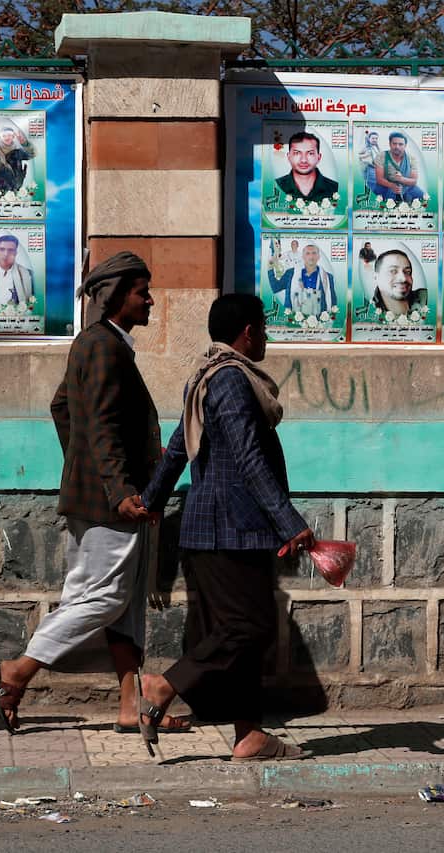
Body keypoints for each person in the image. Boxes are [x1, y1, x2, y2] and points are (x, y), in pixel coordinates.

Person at [0, 252, 190, 738]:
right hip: (111, 504)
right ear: (118, 296)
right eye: (142, 292)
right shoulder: (104, 347)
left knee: (122, 603)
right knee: (103, 598)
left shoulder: (99, 343)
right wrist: (117, 485)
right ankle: (17, 672)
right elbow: (99, 423)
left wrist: (83, 466)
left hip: (97, 494)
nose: (150, 300)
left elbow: (63, 408)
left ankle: (130, 705)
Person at [136, 293, 315, 762]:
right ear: (249, 332)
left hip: (216, 528)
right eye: (264, 328)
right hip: (230, 528)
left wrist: (152, 499)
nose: (267, 336)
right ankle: (163, 685)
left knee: (246, 634)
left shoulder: (205, 377)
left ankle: (249, 735)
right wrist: (289, 522)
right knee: (247, 628)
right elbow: (248, 459)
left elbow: (179, 446)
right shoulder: (233, 379)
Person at [267, 243, 336, 317]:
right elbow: (275, 287)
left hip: (320, 325)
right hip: (294, 322)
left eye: (314, 253)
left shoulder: (328, 277)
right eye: (308, 253)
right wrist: (270, 267)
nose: (311, 256)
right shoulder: (291, 273)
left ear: (318, 257)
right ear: (303, 256)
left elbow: (333, 303)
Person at [274, 131, 338, 206]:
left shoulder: (335, 189)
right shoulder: (276, 186)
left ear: (319, 157)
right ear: (289, 156)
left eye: (310, 153)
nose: (303, 160)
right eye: (297, 153)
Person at [0, 234, 33, 308]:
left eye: (10, 250)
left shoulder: (28, 274)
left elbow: (34, 302)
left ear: (15, 253)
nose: (6, 254)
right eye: (2, 249)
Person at [370, 248, 427, 317]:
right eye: (393, 271)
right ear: (376, 277)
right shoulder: (369, 315)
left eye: (407, 272)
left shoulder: (428, 298)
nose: (403, 279)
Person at [374, 132, 425, 203]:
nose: (397, 147)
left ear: (405, 145)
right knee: (385, 203)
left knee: (424, 198)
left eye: (400, 144)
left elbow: (414, 181)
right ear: (390, 144)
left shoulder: (411, 158)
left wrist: (401, 179)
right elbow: (379, 179)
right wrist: (392, 185)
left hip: (406, 186)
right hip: (386, 185)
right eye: (394, 144)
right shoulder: (381, 156)